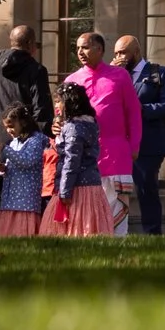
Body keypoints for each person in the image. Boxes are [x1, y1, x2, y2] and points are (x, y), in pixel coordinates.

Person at [66, 31, 141, 235]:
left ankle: (117, 255)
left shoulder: (120, 76)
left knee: (116, 210)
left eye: (86, 47)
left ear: (100, 49)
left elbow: (133, 112)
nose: (80, 52)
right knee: (88, 211)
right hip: (85, 157)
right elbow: (62, 118)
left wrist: (134, 145)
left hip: (117, 153)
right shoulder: (72, 81)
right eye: (78, 48)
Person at [0, 26, 50, 226]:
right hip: (26, 149)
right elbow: (42, 111)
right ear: (30, 45)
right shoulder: (36, 70)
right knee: (26, 206)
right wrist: (43, 143)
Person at [114, 33, 165, 236]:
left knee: (146, 189)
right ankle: (114, 232)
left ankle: (152, 234)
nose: (120, 57)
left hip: (148, 143)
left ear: (136, 51)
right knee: (113, 190)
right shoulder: (115, 75)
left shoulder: (159, 73)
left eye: (123, 52)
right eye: (116, 53)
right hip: (118, 142)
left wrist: (140, 109)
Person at [41, 82, 114, 237]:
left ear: (69, 102)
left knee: (73, 228)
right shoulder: (90, 123)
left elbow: (71, 161)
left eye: (58, 101)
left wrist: (65, 191)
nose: (56, 105)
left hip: (76, 188)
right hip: (92, 185)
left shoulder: (73, 127)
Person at [0, 106, 48, 237]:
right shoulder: (15, 142)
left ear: (24, 122)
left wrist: (5, 149)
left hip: (26, 200)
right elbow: (14, 163)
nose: (9, 130)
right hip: (10, 199)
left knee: (22, 232)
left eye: (11, 126)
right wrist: (3, 169)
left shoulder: (35, 140)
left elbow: (26, 161)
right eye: (6, 127)